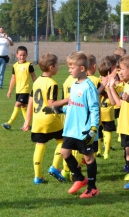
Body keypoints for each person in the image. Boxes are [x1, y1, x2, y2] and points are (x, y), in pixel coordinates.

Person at [43, 51, 100, 198]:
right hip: (71, 128)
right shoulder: (74, 85)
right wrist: (59, 109)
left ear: (82, 69)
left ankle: (92, 188)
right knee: (65, 152)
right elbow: (74, 105)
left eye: (72, 67)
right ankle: (80, 178)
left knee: (88, 158)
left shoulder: (89, 87)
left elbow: (94, 109)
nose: (69, 70)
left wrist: (93, 128)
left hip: (85, 130)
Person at [22, 53, 67, 184]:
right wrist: (67, 100)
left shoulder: (36, 82)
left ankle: (37, 176)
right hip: (50, 118)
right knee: (63, 141)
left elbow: (30, 101)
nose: (59, 67)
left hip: (38, 120)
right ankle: (54, 167)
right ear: (51, 67)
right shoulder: (52, 83)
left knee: (40, 145)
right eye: (57, 65)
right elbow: (51, 104)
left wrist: (27, 120)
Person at [2, 46, 36, 130]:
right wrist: (10, 90)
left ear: (27, 55)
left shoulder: (29, 65)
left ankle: (9, 123)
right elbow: (13, 78)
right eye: (20, 55)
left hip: (25, 90)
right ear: (17, 55)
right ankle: (28, 125)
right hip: (18, 90)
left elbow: (33, 76)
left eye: (24, 55)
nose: (22, 57)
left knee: (17, 104)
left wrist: (37, 86)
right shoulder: (15, 66)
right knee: (23, 106)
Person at [108, 55, 129, 189]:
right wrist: (110, 88)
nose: (119, 72)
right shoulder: (126, 85)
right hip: (125, 126)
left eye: (121, 69)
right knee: (127, 154)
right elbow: (117, 103)